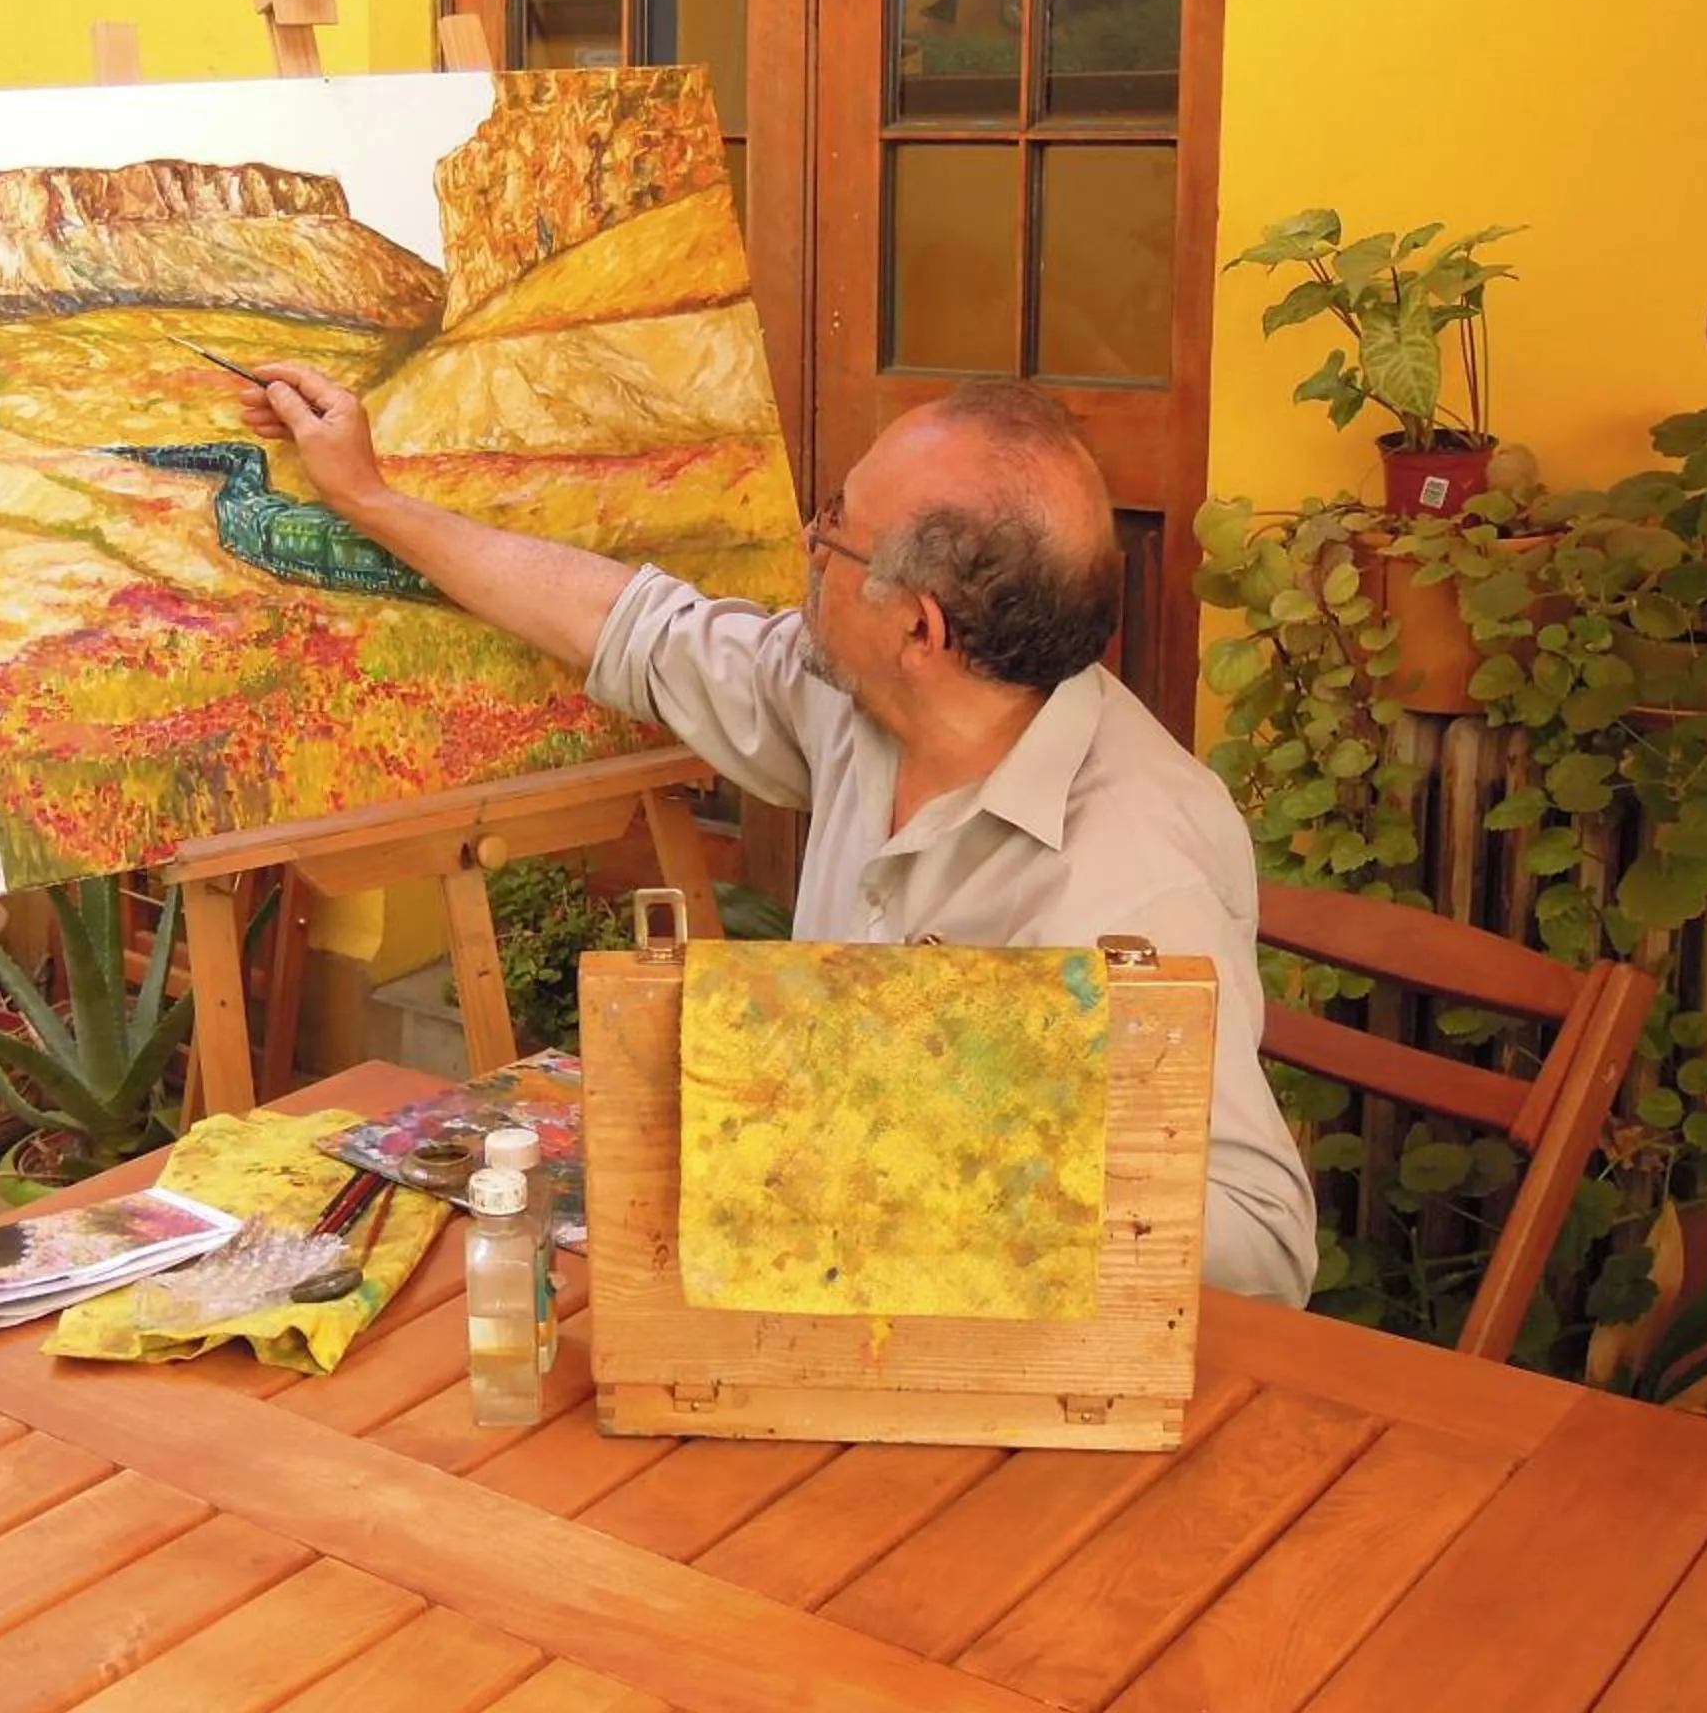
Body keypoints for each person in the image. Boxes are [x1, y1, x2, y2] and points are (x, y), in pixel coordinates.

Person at [239, 362, 1317, 1307]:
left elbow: (1262, 1248)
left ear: (920, 629)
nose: (808, 547)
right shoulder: (867, 706)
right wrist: (374, 501)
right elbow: (631, 627)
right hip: (817, 1308)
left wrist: (954, 1160)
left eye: (834, 533)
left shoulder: (1132, 872)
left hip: (1004, 1373)